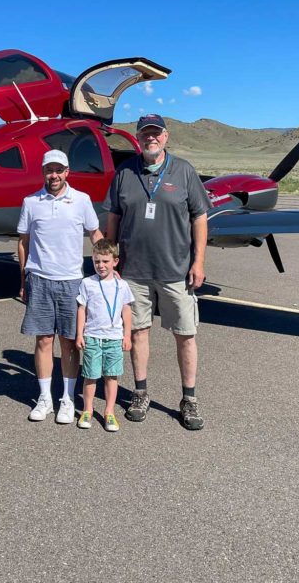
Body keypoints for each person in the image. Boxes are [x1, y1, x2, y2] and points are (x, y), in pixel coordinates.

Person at [104, 113, 211, 430]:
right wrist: (111, 259)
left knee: (186, 335)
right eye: (145, 134)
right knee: (138, 332)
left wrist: (199, 262)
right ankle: (140, 393)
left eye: (156, 133)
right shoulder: (125, 172)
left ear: (166, 137)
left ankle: (189, 399)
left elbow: (200, 217)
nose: (151, 138)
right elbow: (113, 217)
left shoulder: (184, 171)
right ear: (138, 138)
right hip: (133, 271)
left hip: (176, 270)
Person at [18, 148, 103, 424]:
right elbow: (24, 242)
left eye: (58, 170)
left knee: (69, 342)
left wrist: (108, 266)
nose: (53, 175)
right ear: (43, 172)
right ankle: (45, 398)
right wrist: (23, 280)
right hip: (40, 279)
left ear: (67, 172)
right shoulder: (31, 202)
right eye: (48, 170)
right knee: (43, 340)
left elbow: (95, 233)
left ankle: (67, 398)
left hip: (71, 281)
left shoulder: (82, 200)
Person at [75, 239, 134, 432]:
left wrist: (127, 335)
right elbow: (82, 309)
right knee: (90, 376)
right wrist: (79, 334)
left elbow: (126, 310)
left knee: (111, 376)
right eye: (97, 261)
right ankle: (87, 410)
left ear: (115, 261)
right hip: (92, 337)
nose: (101, 265)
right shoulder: (87, 283)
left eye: (105, 261)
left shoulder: (122, 286)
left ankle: (109, 412)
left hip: (114, 338)